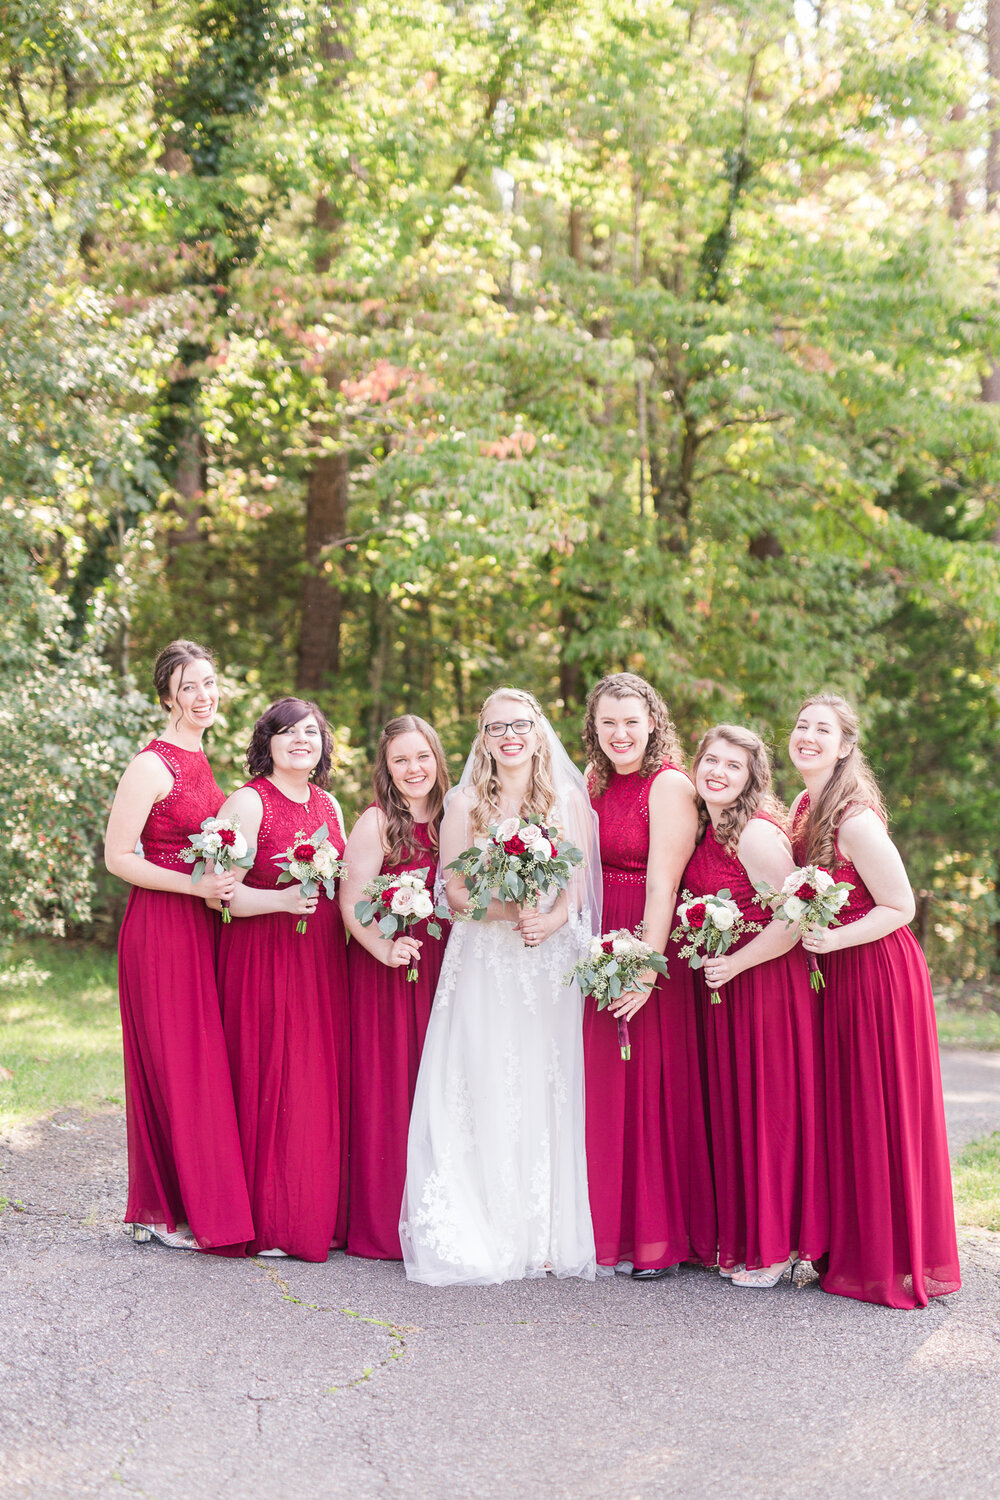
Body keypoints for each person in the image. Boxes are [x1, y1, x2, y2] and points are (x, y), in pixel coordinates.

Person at [400, 689, 601, 1285]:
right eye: (496, 728)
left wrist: (553, 918)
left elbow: (578, 889)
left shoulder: (567, 799)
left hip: (547, 961)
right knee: (483, 1075)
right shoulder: (463, 803)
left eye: (520, 725)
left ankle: (540, 1233)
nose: (509, 736)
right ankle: (485, 1223)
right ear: (482, 737)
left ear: (538, 730)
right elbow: (453, 894)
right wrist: (509, 914)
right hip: (486, 957)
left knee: (543, 1079)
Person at [789, 693, 961, 1308]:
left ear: (844, 746)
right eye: (802, 725)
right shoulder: (806, 804)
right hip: (835, 972)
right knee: (844, 1107)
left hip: (875, 971)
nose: (807, 736)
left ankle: (886, 1259)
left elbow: (901, 907)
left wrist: (832, 937)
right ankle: (849, 1245)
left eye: (822, 729)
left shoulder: (853, 817)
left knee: (874, 1104)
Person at [104, 639, 253, 1252]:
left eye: (210, 683)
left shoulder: (202, 758)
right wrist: (192, 884)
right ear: (167, 695)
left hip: (199, 926)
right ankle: (162, 1209)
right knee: (176, 1062)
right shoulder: (151, 764)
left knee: (196, 1061)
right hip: (161, 926)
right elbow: (117, 857)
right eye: (189, 686)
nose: (203, 696)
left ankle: (168, 1204)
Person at [582, 673, 716, 1278]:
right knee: (603, 1083)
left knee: (649, 1081)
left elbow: (664, 884)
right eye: (608, 722)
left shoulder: (670, 786)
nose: (620, 733)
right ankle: (602, 1226)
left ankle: (656, 1236)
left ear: (653, 722)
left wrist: (644, 968)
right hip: (595, 936)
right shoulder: (592, 781)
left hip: (647, 938)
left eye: (631, 720)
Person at [687, 725, 828, 1287]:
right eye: (711, 761)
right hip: (731, 984)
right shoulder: (709, 826)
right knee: (741, 1105)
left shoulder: (754, 835)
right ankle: (752, 1237)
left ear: (751, 778)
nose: (718, 772)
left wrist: (738, 964)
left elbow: (796, 916)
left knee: (769, 1107)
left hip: (766, 984)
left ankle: (775, 1250)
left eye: (733, 766)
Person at [214, 697, 349, 1261]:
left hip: (320, 957)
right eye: (288, 732)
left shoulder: (330, 804)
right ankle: (269, 1219)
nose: (301, 741)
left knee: (314, 1080)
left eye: (311, 733)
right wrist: (279, 900)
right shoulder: (247, 803)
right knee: (270, 1073)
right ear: (266, 741)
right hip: (262, 954)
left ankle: (312, 1214)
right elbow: (221, 895)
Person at [340, 715, 450, 1260]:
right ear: (386, 767)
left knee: (442, 1083)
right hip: (389, 966)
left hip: (447, 966)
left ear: (438, 758)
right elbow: (351, 902)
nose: (413, 769)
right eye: (401, 760)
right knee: (391, 1084)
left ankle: (437, 1215)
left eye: (422, 757)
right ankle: (383, 1221)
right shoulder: (377, 822)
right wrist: (384, 948)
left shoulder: (458, 817)